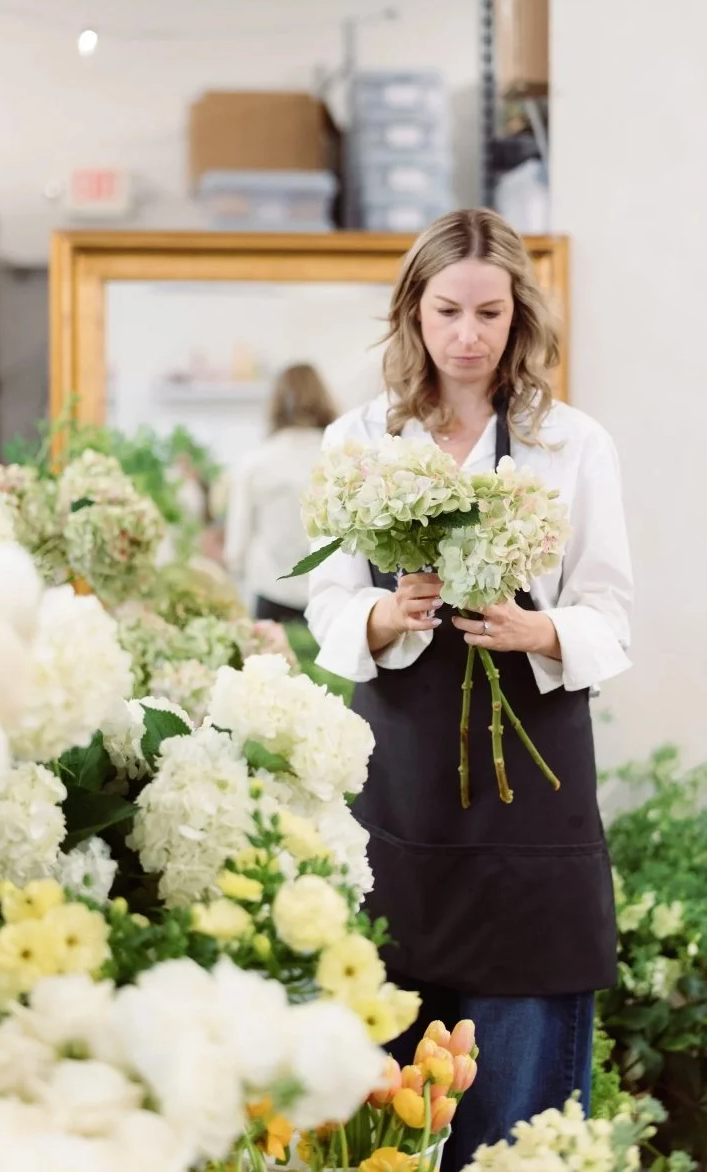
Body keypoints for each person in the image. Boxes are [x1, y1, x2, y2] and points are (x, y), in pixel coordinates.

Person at [306, 209, 633, 1171]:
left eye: (490, 313)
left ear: (518, 318)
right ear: (413, 312)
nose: (469, 334)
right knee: (384, 1120)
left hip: (533, 802)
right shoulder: (359, 439)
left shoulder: (573, 445)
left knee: (517, 1129)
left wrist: (542, 631)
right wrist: (381, 616)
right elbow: (325, 603)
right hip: (399, 791)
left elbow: (612, 616)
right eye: (448, 309)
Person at [224, 362, 337, 624]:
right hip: (332, 598)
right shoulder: (340, 457)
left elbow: (235, 550)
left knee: (272, 666)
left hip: (272, 595)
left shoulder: (255, 462)